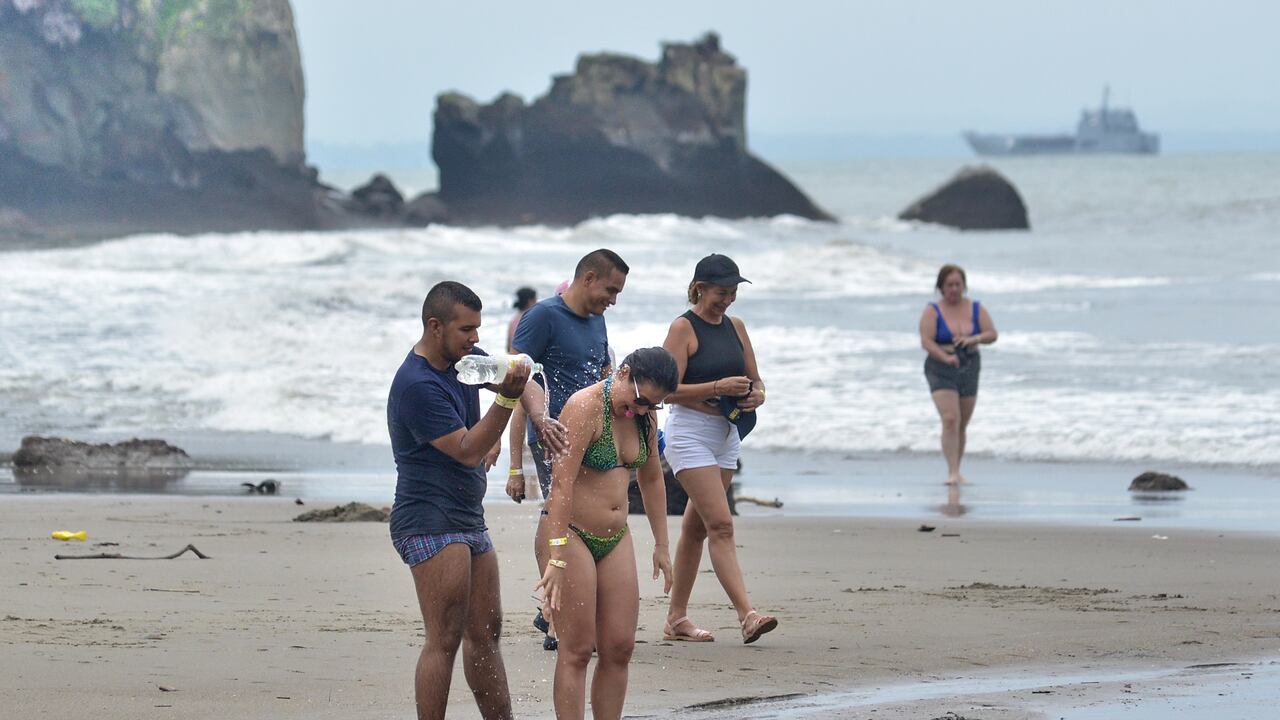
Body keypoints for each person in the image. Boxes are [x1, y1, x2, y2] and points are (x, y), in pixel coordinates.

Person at [386, 280, 534, 720]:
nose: (475, 338)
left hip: (468, 516)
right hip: (428, 520)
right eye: (466, 329)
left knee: (486, 633)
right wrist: (507, 400)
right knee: (444, 638)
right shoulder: (416, 384)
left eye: (478, 328)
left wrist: (540, 416)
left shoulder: (464, 360)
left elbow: (524, 381)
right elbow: (467, 449)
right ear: (435, 326)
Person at [535, 347, 677, 720]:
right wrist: (556, 553)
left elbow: (650, 478)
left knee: (618, 647)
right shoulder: (585, 407)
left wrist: (662, 544)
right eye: (641, 399)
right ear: (624, 373)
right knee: (578, 649)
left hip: (615, 538)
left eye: (654, 406)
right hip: (570, 533)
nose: (643, 409)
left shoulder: (643, 418)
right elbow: (561, 485)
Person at [508, 250, 629, 650]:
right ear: (589, 277)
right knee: (558, 513)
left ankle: (555, 609)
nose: (613, 300)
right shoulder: (542, 316)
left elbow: (602, 376)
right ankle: (556, 614)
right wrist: (541, 420)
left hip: (595, 435)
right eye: (610, 290)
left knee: (583, 517)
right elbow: (518, 375)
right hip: (554, 434)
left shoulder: (597, 320)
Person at [660, 254, 777, 645]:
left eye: (732, 293)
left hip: (727, 433)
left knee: (696, 530)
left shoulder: (736, 327)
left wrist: (755, 397)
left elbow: (757, 381)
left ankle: (676, 618)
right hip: (689, 433)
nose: (727, 300)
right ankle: (748, 615)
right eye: (720, 292)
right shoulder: (683, 328)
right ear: (699, 288)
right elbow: (665, 389)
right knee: (721, 526)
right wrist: (715, 388)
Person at [918, 263, 998, 485]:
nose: (953, 289)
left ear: (964, 286)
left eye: (957, 284)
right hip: (941, 365)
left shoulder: (976, 308)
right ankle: (952, 472)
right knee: (950, 419)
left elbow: (992, 333)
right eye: (949, 285)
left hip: (970, 363)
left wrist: (974, 339)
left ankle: (958, 468)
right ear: (941, 287)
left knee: (962, 421)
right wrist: (945, 357)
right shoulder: (932, 311)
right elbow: (926, 341)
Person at [505, 286, 539, 504]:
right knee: (524, 409)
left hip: (513, 366)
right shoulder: (529, 318)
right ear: (530, 300)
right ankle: (522, 445)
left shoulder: (513, 319)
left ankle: (521, 443)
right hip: (526, 370)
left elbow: (509, 347)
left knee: (520, 409)